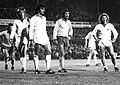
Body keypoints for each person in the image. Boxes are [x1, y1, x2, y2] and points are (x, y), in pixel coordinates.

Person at [29, 4, 55, 74]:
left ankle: (48, 69)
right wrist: (31, 39)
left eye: (44, 9)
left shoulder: (44, 18)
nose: (44, 10)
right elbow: (31, 29)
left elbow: (44, 28)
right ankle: (36, 69)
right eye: (42, 9)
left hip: (44, 37)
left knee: (49, 51)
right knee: (36, 53)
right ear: (38, 10)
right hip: (37, 37)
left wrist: (47, 36)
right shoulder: (33, 18)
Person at [10, 7, 29, 73]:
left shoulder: (27, 21)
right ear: (18, 14)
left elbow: (28, 29)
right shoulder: (16, 21)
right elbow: (13, 30)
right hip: (18, 38)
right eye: (20, 13)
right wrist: (11, 38)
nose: (22, 14)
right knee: (21, 53)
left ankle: (24, 68)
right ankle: (23, 67)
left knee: (24, 51)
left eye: (23, 13)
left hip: (25, 38)